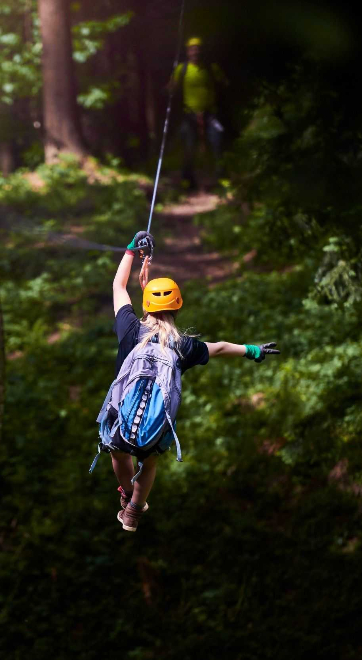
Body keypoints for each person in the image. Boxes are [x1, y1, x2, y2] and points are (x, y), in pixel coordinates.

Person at [104, 231, 278, 532]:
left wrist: (132, 250)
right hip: (155, 426)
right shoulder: (183, 346)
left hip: (122, 419)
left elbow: (119, 286)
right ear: (178, 306)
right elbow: (221, 347)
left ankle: (129, 496)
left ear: (145, 305)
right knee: (149, 460)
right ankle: (134, 511)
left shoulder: (130, 329)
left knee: (118, 452)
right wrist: (253, 351)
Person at [169, 37, 229, 189]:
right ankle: (187, 179)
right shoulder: (181, 69)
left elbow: (224, 82)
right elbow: (172, 87)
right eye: (192, 49)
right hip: (190, 115)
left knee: (217, 142)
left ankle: (221, 178)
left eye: (198, 48)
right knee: (189, 147)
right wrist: (168, 89)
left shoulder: (210, 67)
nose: (195, 51)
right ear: (188, 51)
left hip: (210, 115)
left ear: (201, 51)